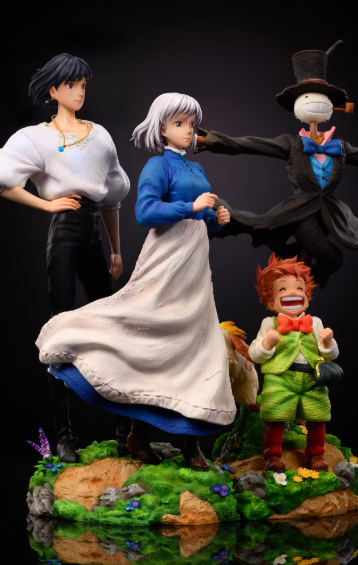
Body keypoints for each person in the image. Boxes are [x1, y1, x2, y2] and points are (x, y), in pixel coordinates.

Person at [36, 93, 235, 472]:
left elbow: (201, 219)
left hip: (195, 266)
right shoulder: (157, 166)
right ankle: (138, 434)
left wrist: (215, 219)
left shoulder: (196, 169)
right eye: (179, 123)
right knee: (152, 338)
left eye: (191, 124)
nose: (188, 130)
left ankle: (191, 443)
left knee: (196, 345)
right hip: (165, 261)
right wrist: (191, 207)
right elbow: (145, 212)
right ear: (162, 128)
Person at [0, 53, 130, 462]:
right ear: (53, 90)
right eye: (72, 85)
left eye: (84, 85)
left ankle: (124, 432)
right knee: (59, 328)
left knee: (112, 328)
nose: (80, 92)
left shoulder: (100, 136)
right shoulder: (35, 138)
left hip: (95, 230)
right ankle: (64, 436)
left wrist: (116, 249)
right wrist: (45, 205)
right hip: (64, 231)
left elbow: (112, 197)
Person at [196, 41, 358, 287]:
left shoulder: (340, 147)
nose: (314, 103)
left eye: (321, 98)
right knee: (332, 258)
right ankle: (298, 286)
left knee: (333, 255)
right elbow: (249, 144)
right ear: (297, 106)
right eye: (306, 97)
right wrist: (208, 140)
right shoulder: (291, 143)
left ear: (332, 106)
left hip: (334, 214)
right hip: (301, 213)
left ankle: (297, 286)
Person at [248, 253, 339, 472]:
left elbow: (331, 356)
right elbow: (254, 355)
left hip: (312, 379)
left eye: (299, 288)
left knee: (317, 416)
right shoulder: (269, 323)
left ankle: (316, 455)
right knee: (275, 416)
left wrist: (328, 342)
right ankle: (272, 456)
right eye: (283, 289)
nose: (293, 293)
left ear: (307, 295)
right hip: (280, 378)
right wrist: (267, 344)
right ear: (271, 300)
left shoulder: (315, 323)